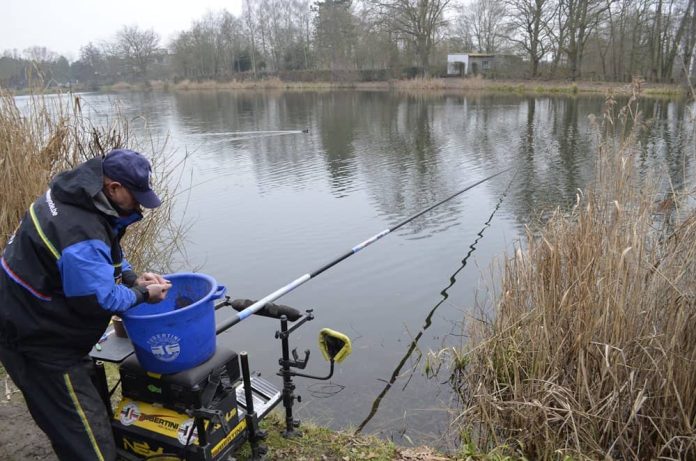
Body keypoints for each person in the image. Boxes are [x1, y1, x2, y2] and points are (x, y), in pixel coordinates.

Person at [0, 149, 172, 461]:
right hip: (39, 340)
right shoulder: (81, 229)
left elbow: (103, 252)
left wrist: (132, 276)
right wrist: (143, 295)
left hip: (23, 315)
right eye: (137, 197)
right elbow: (98, 300)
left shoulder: (76, 196)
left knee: (69, 425)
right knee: (90, 443)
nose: (139, 205)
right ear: (115, 188)